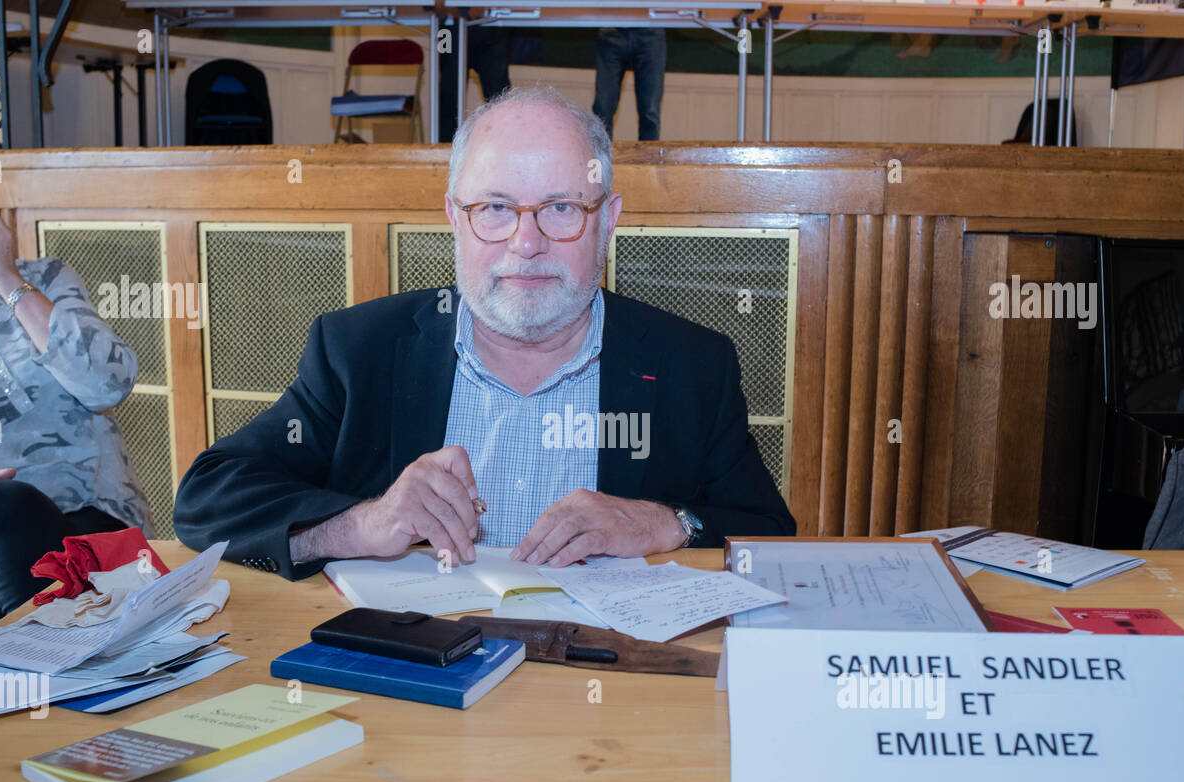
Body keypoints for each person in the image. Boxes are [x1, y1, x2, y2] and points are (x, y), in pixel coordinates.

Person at [172, 85, 793, 579]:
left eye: (561, 208)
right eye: (495, 208)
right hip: (412, 690)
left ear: (608, 220)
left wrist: (665, 524)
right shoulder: (360, 352)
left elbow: (770, 534)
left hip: (609, 699)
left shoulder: (693, 366)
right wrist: (362, 525)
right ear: (453, 218)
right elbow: (208, 499)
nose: (526, 243)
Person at [0, 131, 153, 635]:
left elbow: (108, 386)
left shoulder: (47, 280)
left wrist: (10, 282)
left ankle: (48, 688)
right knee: (0, 503)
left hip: (87, 521)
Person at [592, 28, 667, 141]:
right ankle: (601, 156)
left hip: (651, 30)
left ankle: (648, 158)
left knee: (650, 112)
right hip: (611, 28)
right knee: (603, 108)